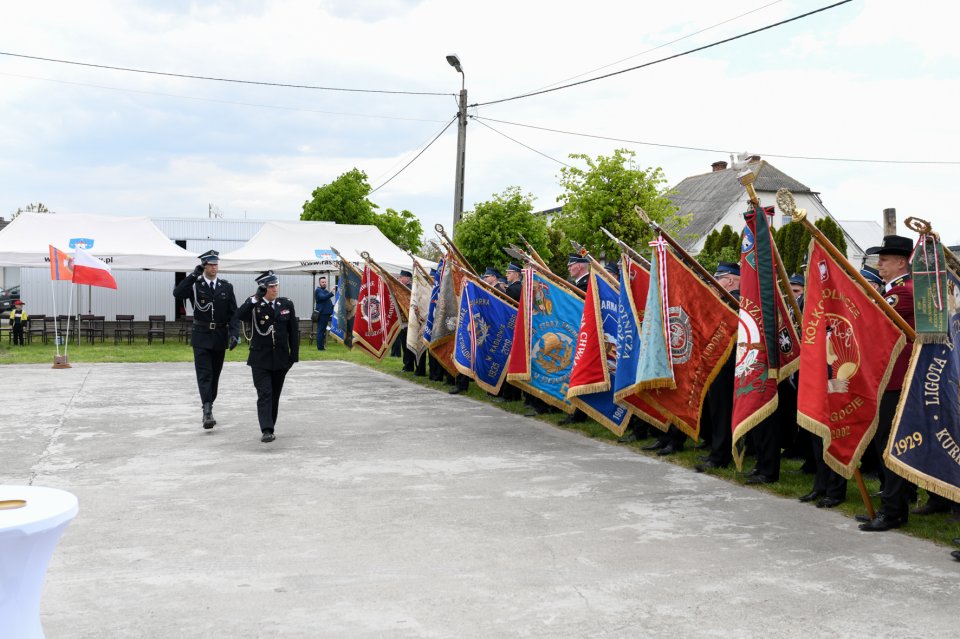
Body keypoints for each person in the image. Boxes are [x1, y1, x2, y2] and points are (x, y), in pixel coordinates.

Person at [859, 235, 916, 531]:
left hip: (895, 378)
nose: (879, 264)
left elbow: (873, 323)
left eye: (884, 259)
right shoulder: (893, 290)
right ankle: (896, 503)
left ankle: (892, 510)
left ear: (901, 262)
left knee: (889, 445)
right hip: (888, 376)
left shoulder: (902, 293)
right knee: (885, 442)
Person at [173, 250, 240, 430]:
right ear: (204, 265)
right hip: (201, 335)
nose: (214, 267)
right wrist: (193, 275)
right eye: (210, 264)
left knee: (215, 376)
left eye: (216, 264)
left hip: (219, 336)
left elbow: (233, 313)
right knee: (204, 375)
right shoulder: (195, 284)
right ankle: (207, 410)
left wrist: (235, 334)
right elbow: (177, 292)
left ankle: (209, 404)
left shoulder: (226, 287)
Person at [234, 271, 299, 443]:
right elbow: (239, 315)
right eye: (270, 286)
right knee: (265, 393)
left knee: (275, 395)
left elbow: (293, 332)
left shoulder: (286, 304)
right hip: (260, 359)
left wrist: (294, 356)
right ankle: (267, 429)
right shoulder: (254, 304)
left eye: (276, 285)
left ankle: (271, 425)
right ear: (263, 288)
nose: (274, 289)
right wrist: (255, 298)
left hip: (280, 358)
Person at [695, 262, 740, 471]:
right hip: (717, 361)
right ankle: (716, 450)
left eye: (718, 278)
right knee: (717, 410)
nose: (714, 283)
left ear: (730, 280)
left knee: (723, 411)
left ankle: (720, 456)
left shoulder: (736, 301)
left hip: (727, 363)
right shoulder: (725, 300)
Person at [314, 275, 335, 350]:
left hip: (326, 314)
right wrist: (331, 293)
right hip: (322, 314)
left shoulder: (325, 291)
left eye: (325, 282)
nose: (324, 283)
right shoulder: (318, 290)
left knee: (323, 331)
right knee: (321, 330)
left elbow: (327, 302)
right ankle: (320, 348)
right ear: (319, 283)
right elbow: (322, 298)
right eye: (322, 282)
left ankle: (322, 346)